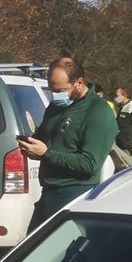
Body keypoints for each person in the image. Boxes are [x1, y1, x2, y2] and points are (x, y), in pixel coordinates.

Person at [19, 57, 117, 231]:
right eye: (52, 90)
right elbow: (46, 138)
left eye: (60, 90)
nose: (55, 95)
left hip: (74, 196)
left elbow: (90, 164)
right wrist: (32, 144)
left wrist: (46, 154)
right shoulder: (56, 106)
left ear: (79, 82)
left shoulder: (98, 111)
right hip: (47, 194)